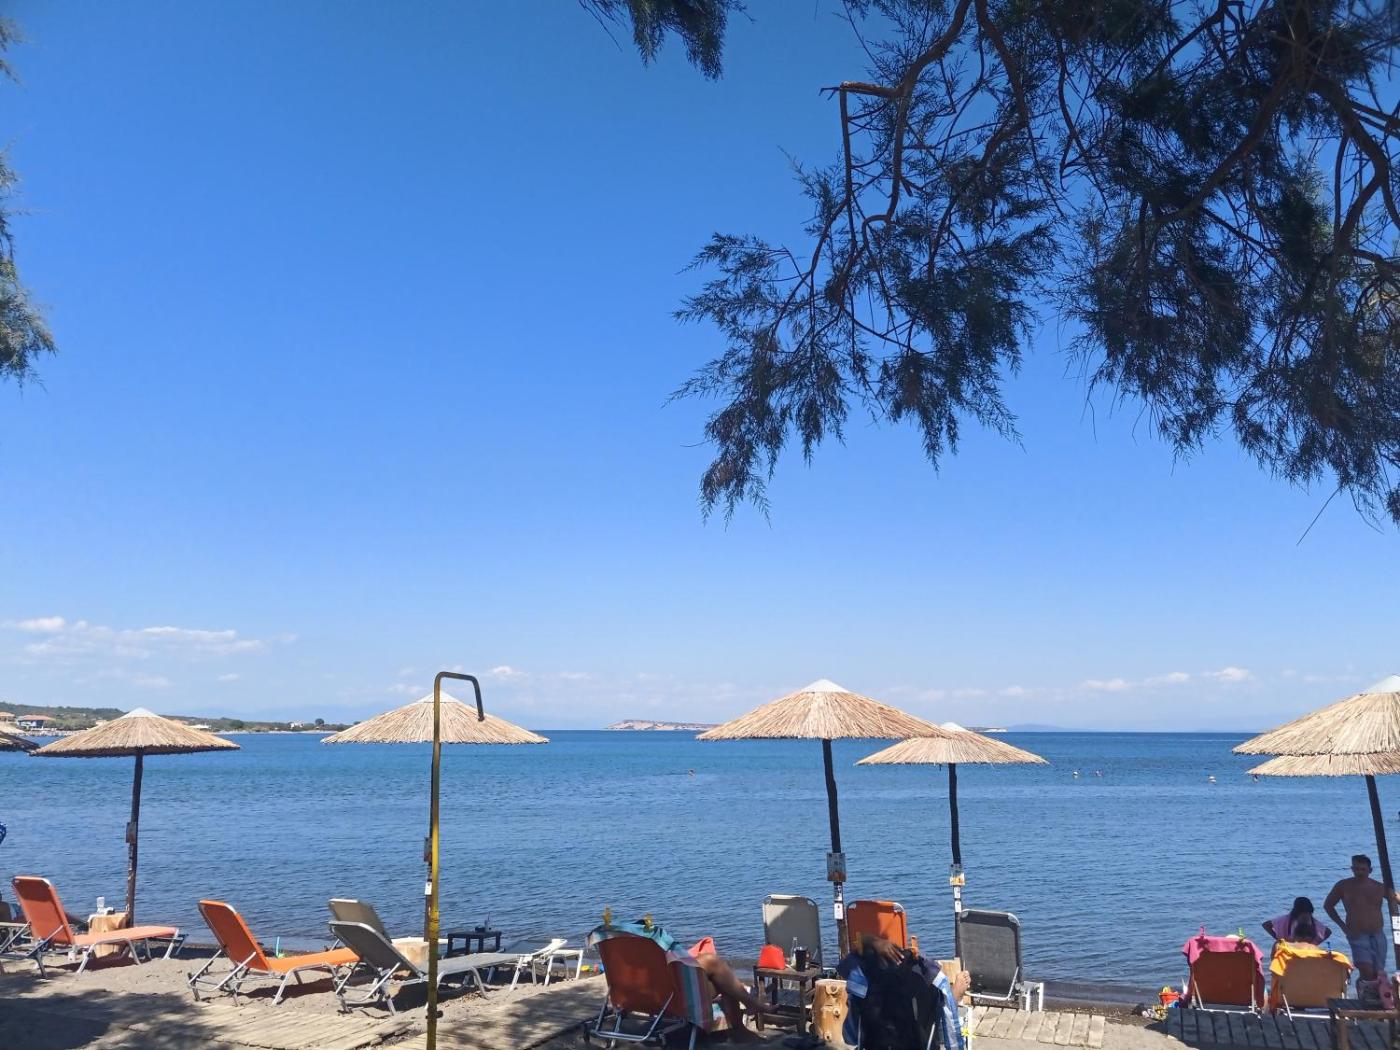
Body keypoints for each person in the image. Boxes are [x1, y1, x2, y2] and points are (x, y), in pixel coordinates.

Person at [1324, 854, 1400, 981]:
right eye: (1356, 869)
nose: (1359, 872)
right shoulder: (1343, 886)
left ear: (1370, 870)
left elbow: (1395, 898)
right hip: (1356, 934)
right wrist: (1343, 927)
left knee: (1378, 973)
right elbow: (1328, 906)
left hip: (1378, 934)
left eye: (1363, 869)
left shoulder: (1379, 887)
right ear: (1352, 869)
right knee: (1366, 970)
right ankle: (1364, 988)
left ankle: (1367, 991)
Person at [1263, 897, 1331, 946]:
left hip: (1300, 950)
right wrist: (1279, 940)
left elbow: (1328, 932)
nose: (1305, 915)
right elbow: (1266, 925)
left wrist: (1315, 944)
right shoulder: (1287, 919)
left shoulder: (1287, 919)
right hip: (1296, 951)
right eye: (1304, 913)